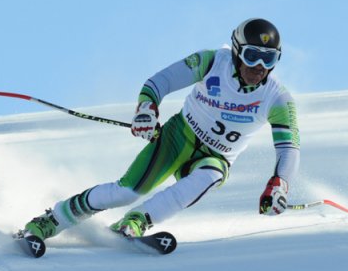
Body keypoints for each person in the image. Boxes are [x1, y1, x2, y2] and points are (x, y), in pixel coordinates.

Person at [21, 18, 300, 241]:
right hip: (178, 137)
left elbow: (289, 148)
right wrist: (147, 108)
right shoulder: (213, 62)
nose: (259, 67)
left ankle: (137, 221)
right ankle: (53, 219)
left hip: (217, 156)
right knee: (128, 191)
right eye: (252, 56)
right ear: (237, 51)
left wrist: (280, 183)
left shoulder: (277, 98)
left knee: (211, 175)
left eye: (269, 59)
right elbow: (159, 82)